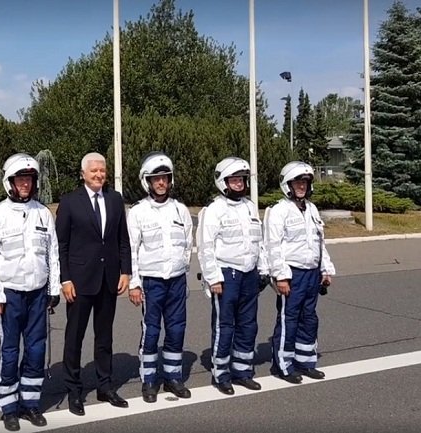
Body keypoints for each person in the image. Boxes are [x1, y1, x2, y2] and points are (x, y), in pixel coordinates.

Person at [0, 153, 61, 431]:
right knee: (10, 351)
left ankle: (30, 403)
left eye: (29, 179)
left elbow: (53, 253)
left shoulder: (43, 213)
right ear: (10, 182)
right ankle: (9, 406)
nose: (25, 184)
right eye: (20, 179)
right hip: (9, 295)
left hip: (38, 293)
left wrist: (54, 288)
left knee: (37, 351)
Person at [55, 152, 132, 416]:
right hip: (79, 281)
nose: (99, 175)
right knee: (74, 337)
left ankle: (105, 385)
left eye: (102, 170)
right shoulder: (69, 202)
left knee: (104, 337)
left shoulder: (114, 199)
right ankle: (74, 390)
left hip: (109, 279)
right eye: (94, 171)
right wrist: (65, 279)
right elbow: (61, 245)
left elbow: (123, 239)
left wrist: (126, 271)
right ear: (83, 174)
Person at [196, 157, 268, 395]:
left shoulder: (249, 205)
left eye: (241, 180)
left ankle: (243, 370)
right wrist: (213, 278)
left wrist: (263, 269)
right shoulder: (214, 209)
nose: (239, 184)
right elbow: (205, 246)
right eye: (234, 180)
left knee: (248, 325)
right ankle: (222, 373)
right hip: (227, 274)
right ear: (223, 182)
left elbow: (260, 240)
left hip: (249, 274)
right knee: (225, 326)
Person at [127, 151, 193, 403]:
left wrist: (181, 269)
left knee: (176, 330)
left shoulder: (181, 210)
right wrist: (134, 283)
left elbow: (187, 246)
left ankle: (173, 377)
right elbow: (132, 250)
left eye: (165, 177)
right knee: (152, 331)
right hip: (151, 281)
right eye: (156, 179)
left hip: (176, 280)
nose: (161, 182)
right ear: (148, 182)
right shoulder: (138, 212)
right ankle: (149, 379)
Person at [264, 161, 335, 384]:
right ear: (288, 185)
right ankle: (284, 365)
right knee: (289, 319)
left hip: (312, 273)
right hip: (292, 274)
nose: (301, 186)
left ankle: (306, 361)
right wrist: (280, 276)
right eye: (297, 183)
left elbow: (319, 242)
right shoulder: (278, 211)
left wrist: (325, 268)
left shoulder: (312, 209)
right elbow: (273, 246)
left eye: (304, 182)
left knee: (309, 318)